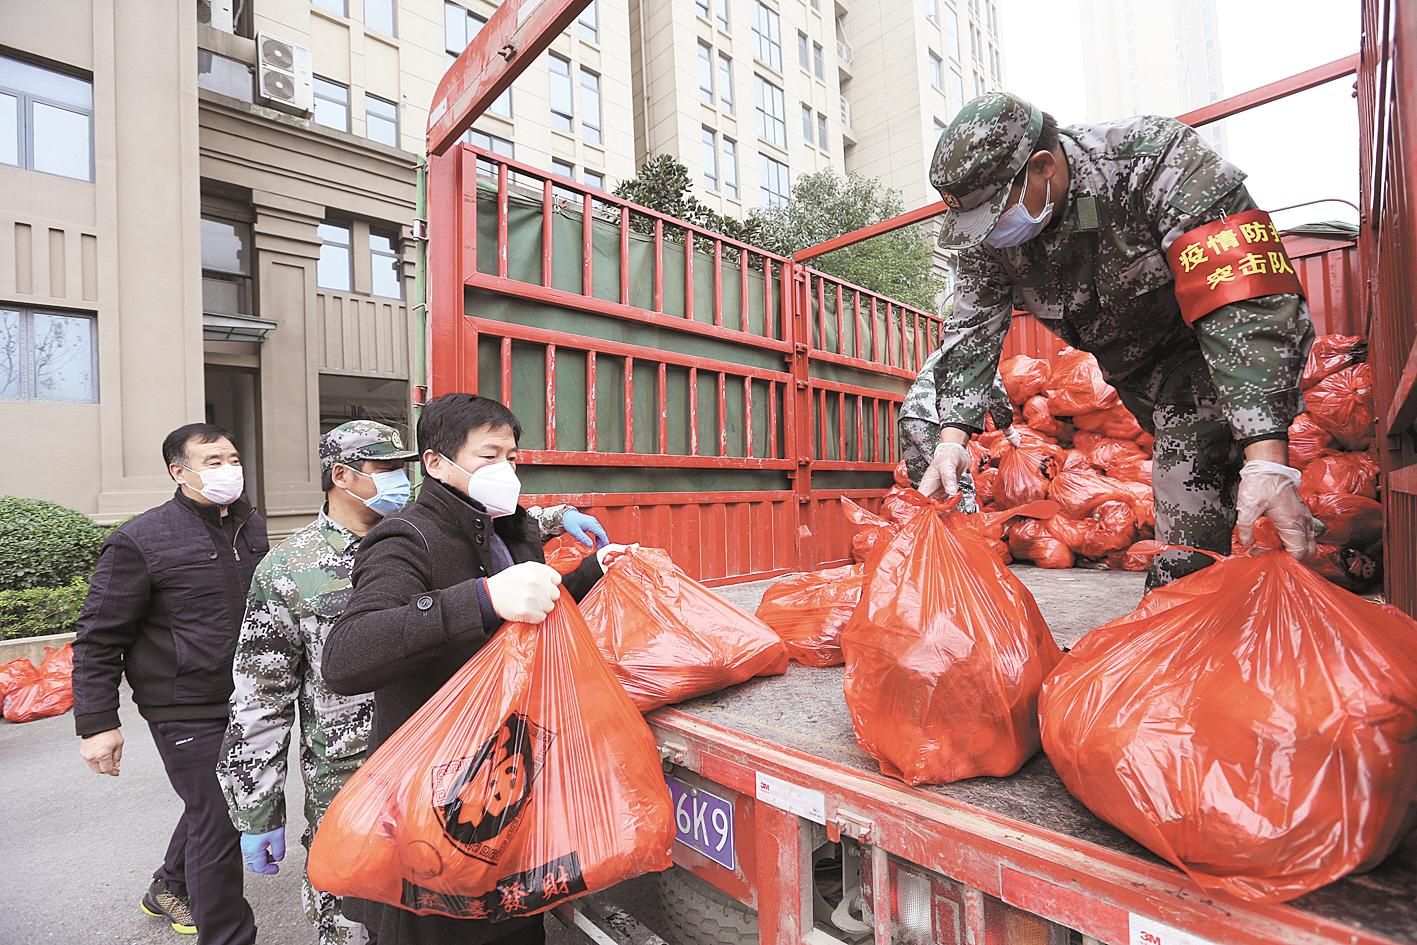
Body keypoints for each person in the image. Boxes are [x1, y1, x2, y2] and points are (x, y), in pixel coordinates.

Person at [217, 421, 613, 945]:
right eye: (385, 469)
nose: (400, 480)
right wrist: (257, 806)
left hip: (454, 779)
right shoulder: (291, 568)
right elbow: (260, 695)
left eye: (403, 467)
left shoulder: (435, 534)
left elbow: (512, 530)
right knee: (358, 926)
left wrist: (567, 526)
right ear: (341, 475)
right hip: (353, 782)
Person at [918, 91, 1316, 589]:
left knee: (1186, 533)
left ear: (1043, 166)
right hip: (1136, 382)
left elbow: (1241, 295)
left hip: (1205, 355)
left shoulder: (1154, 162)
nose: (991, 232)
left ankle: (1190, 621)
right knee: (1207, 494)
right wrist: (951, 439)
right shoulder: (990, 236)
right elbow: (972, 330)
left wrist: (1267, 455)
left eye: (996, 213)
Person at [321, 393, 622, 945]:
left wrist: (589, 573)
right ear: (436, 463)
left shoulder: (508, 529)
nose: (505, 470)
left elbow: (521, 625)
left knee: (512, 921)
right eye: (488, 457)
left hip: (507, 780)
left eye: (511, 455)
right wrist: (479, 598)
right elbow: (346, 655)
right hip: (434, 802)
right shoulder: (407, 539)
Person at [73, 423, 265, 944]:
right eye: (212, 461)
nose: (228, 469)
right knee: (221, 816)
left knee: (213, 803)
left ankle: (170, 884)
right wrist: (97, 724)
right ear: (179, 472)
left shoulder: (249, 525)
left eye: (231, 458)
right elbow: (97, 637)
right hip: (183, 705)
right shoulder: (140, 539)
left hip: (249, 698)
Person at [898, 349, 1019, 513]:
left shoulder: (943, 349)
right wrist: (1009, 430)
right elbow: (996, 393)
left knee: (924, 488)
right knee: (956, 482)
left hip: (907, 416)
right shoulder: (982, 349)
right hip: (935, 418)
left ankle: (926, 532)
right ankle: (967, 531)